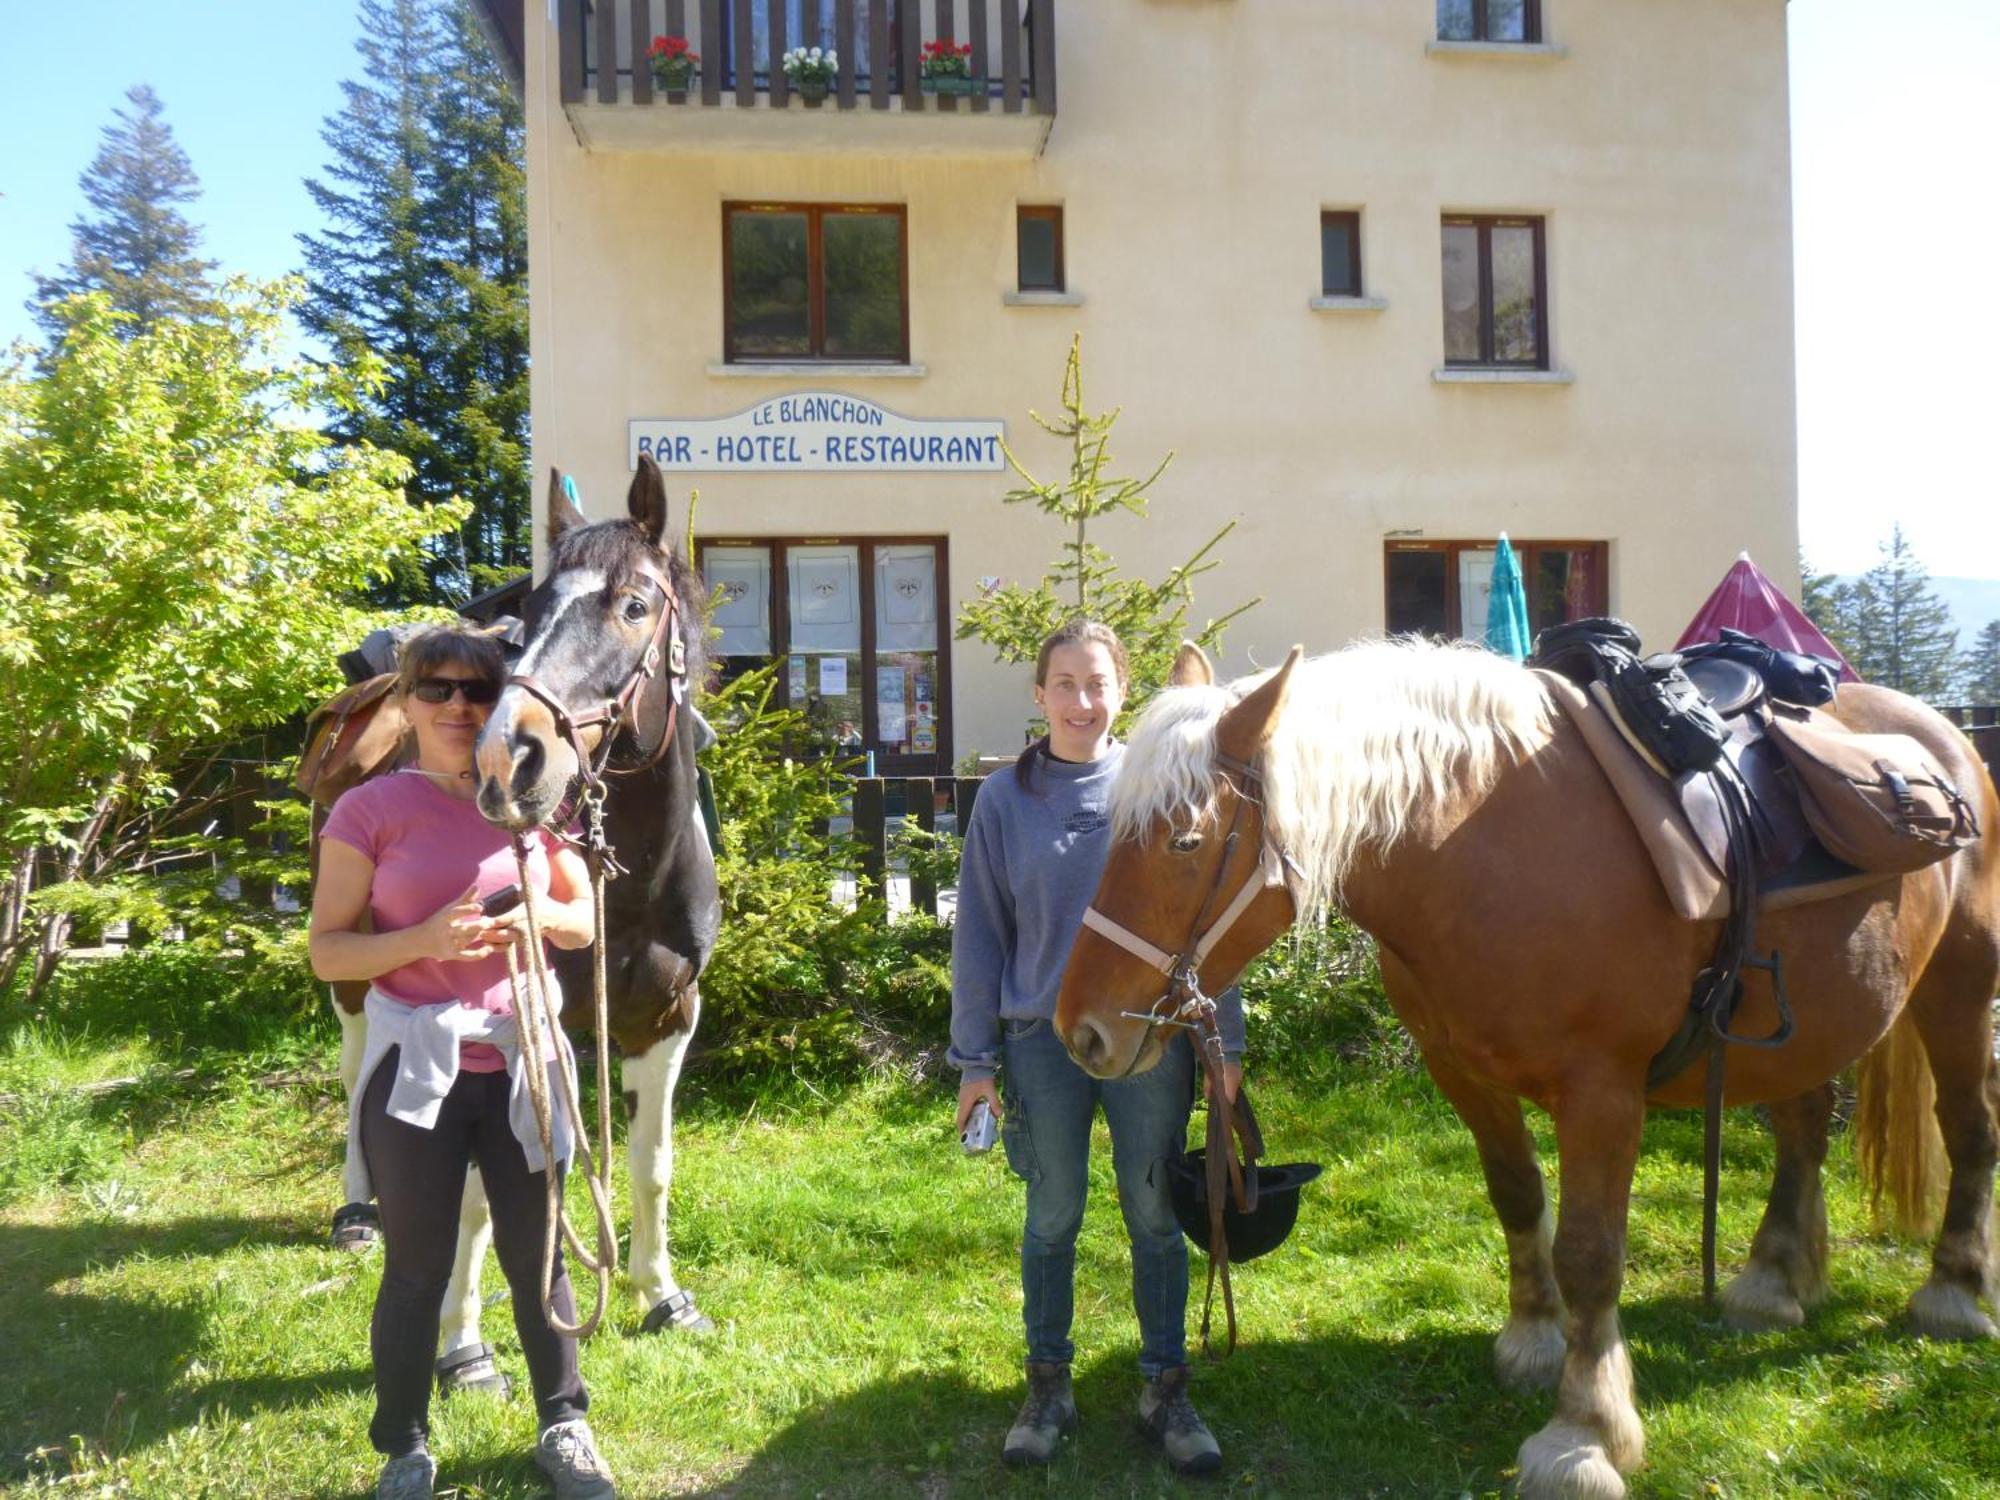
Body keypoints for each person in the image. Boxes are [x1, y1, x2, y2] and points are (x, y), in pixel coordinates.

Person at [308, 623, 617, 1500]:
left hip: (522, 1063)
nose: (456, 706)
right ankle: (405, 1446)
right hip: (418, 1068)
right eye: (435, 689)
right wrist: (422, 939)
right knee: (416, 1267)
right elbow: (329, 952)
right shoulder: (366, 811)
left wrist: (539, 924)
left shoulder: (529, 800)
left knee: (540, 1260)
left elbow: (583, 920)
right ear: (403, 705)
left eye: (475, 691)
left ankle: (565, 1427)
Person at [949, 619, 1244, 1476]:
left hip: (1151, 1041)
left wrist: (1225, 1043)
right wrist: (976, 1064)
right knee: (1053, 1216)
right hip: (1044, 1042)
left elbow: (1205, 923)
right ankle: (1047, 1388)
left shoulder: (1160, 785)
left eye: (1099, 683)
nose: (1083, 701)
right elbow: (981, 937)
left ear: (1124, 693)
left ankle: (1165, 1388)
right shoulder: (1006, 801)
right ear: (1040, 697)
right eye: (1065, 685)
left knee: (1155, 1216)